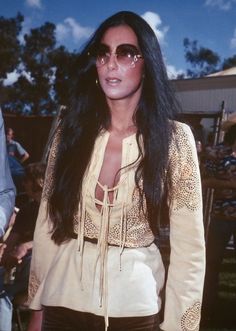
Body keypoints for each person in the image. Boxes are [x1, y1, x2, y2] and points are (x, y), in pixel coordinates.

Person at [27, 11, 205, 331]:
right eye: (103, 52)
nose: (111, 62)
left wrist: (179, 326)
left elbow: (189, 250)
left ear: (147, 64)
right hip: (62, 301)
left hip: (135, 309)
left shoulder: (175, 140)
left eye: (126, 53)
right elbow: (48, 223)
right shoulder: (71, 132)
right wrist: (36, 306)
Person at [0, 162, 46, 331]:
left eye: (27, 180)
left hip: (44, 265)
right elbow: (11, 240)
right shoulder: (27, 210)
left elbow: (57, 238)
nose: (23, 184)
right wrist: (5, 251)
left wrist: (26, 246)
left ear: (39, 181)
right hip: (20, 265)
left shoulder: (55, 209)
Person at [201, 114, 236, 324]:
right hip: (221, 216)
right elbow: (204, 181)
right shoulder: (217, 152)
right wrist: (230, 185)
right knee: (212, 263)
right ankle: (207, 307)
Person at [0, 110, 15, 239]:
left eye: (10, 135)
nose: (9, 136)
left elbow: (4, 190)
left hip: (15, 170)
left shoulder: (15, 145)